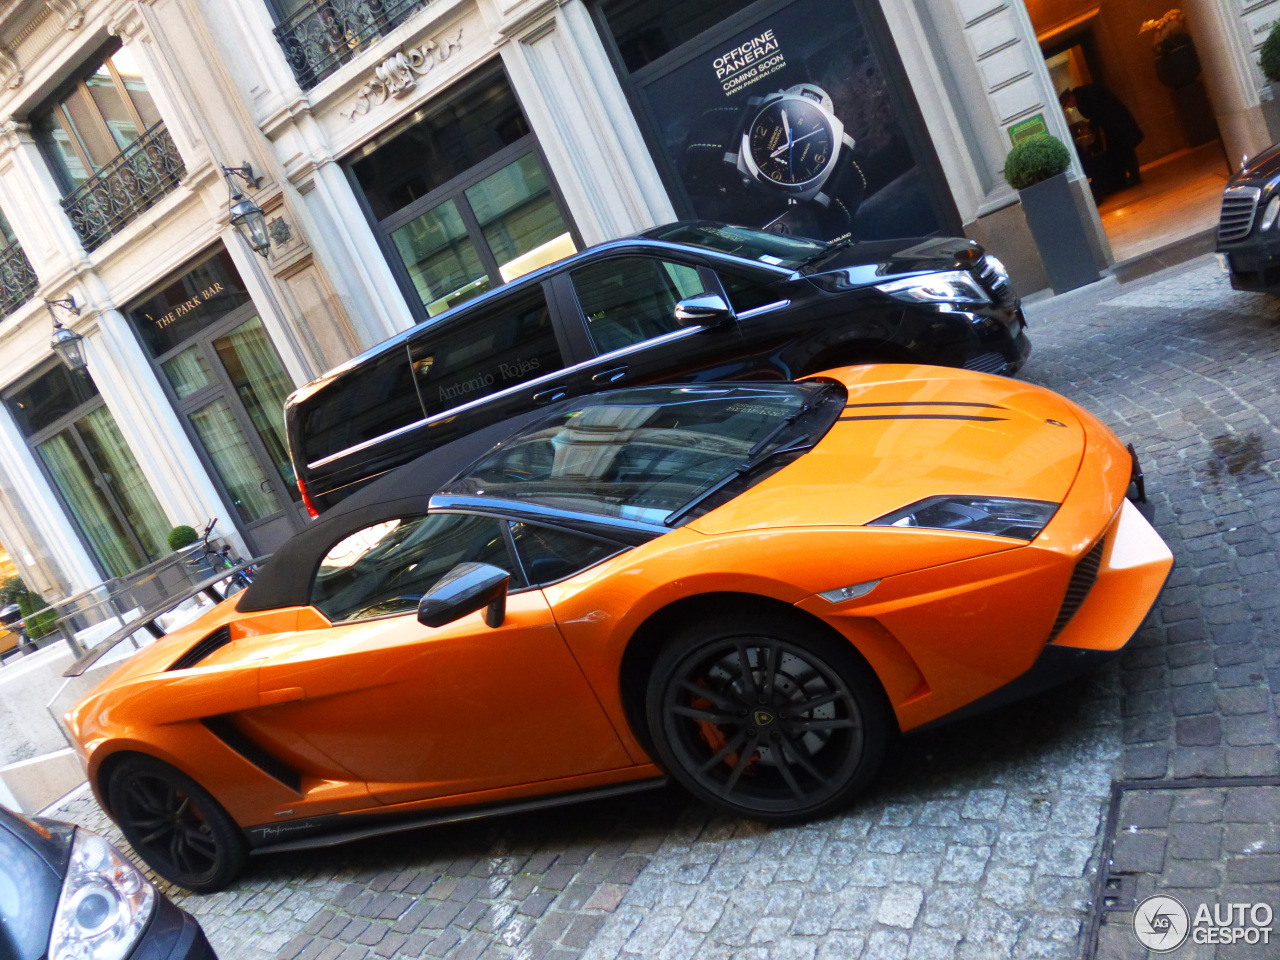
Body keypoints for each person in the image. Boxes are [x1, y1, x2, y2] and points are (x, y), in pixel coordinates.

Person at [1060, 85, 1145, 193]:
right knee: (1124, 149)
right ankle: (1129, 176)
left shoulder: (1085, 97)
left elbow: (1099, 113)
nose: (1070, 107)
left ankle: (1133, 177)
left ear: (1070, 98)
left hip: (1116, 124)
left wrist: (1091, 127)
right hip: (1115, 124)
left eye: (1068, 104)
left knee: (1124, 149)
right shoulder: (1086, 93)